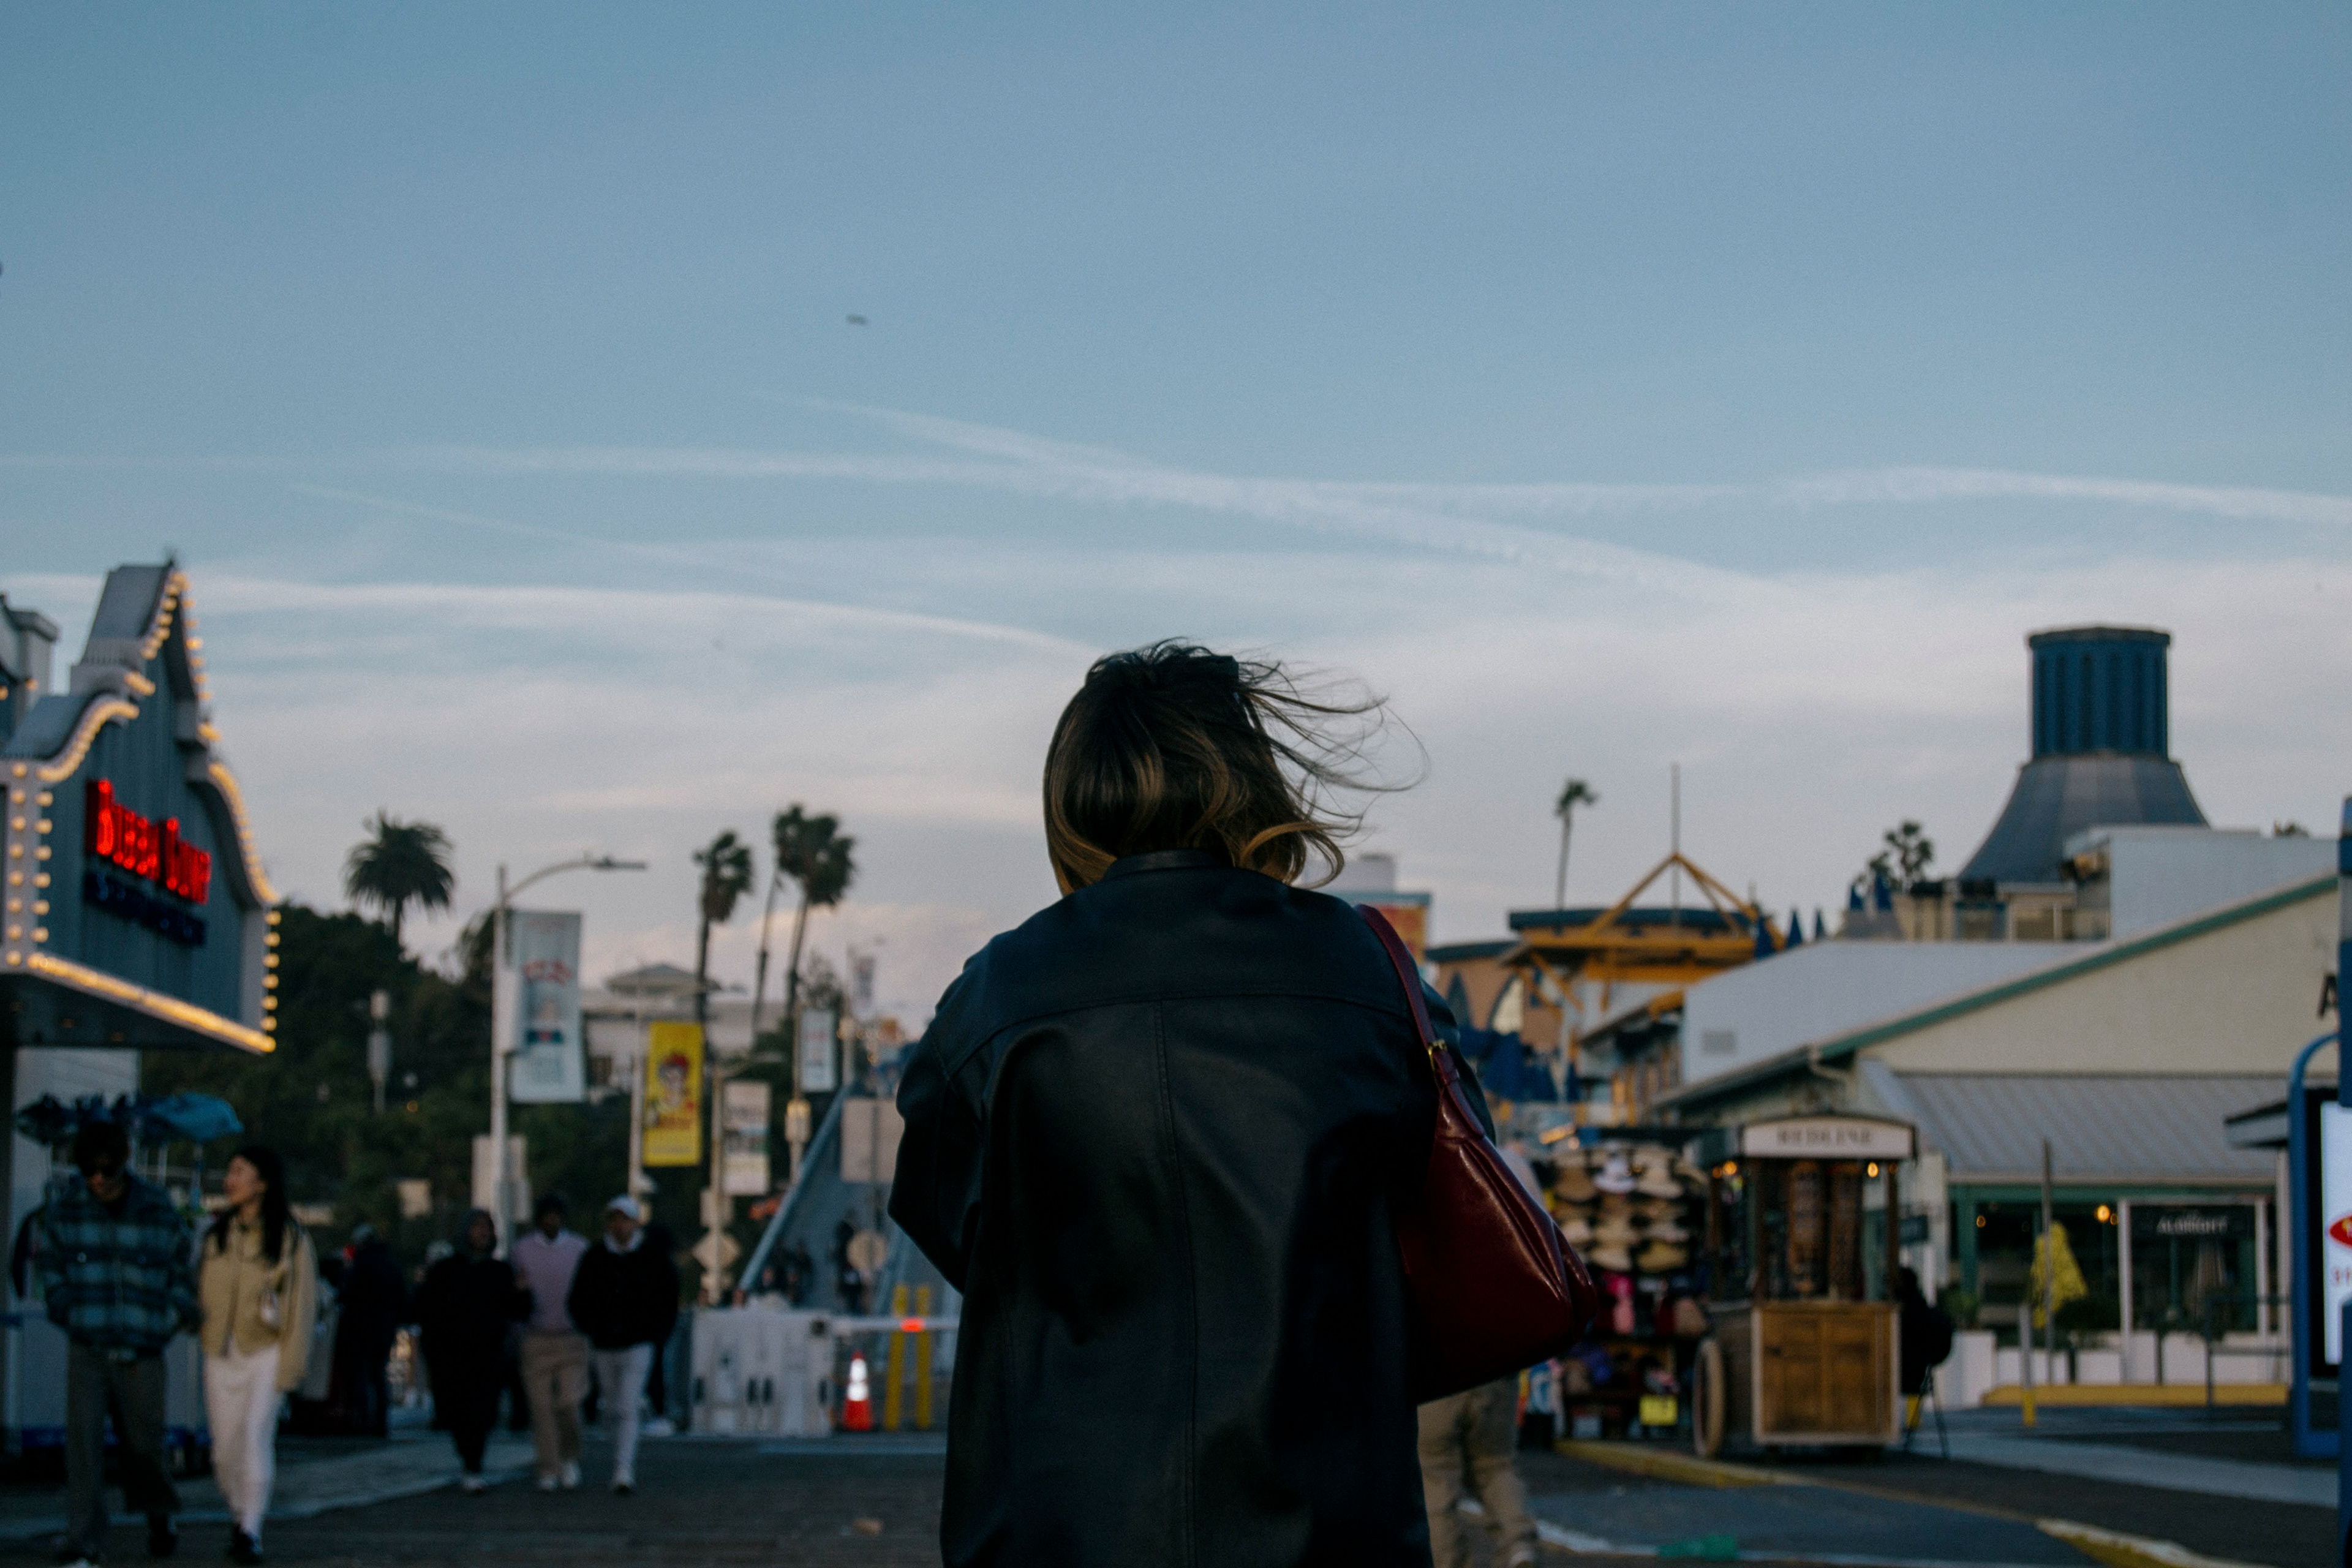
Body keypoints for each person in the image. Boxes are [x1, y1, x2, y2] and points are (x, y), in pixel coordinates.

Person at [891, 641, 1467, 1567]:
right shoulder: (1365, 971)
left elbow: (947, 1215)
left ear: (1073, 796)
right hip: (1327, 1522)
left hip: (1064, 1524)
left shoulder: (999, 994)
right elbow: (1433, 1200)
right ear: (1249, 780)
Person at [40, 1118, 199, 1568]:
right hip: (88, 1342)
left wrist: (167, 1319)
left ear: (122, 1167)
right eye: (91, 1172)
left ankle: (159, 1512)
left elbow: (182, 1267)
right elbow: (49, 1265)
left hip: (143, 1346)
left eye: (107, 1172)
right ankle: (83, 1538)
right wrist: (66, 1309)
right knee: (84, 1443)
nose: (99, 1181)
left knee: (146, 1442)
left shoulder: (155, 1207)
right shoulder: (67, 1210)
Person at [197, 1146, 319, 1566]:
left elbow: (302, 1308)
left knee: (255, 1438)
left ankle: (251, 1527)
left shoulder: (290, 1239)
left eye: (238, 1172)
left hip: (267, 1351)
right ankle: (239, 1512)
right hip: (220, 1350)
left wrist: (292, 1367)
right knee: (224, 1449)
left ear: (262, 1183)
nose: (229, 1181)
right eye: (228, 1172)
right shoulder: (216, 1236)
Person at [565, 1197, 679, 1494]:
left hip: (638, 1342)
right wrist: (591, 1326)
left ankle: (623, 1469)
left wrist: (655, 1330)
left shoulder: (651, 1257)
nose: (620, 1226)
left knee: (628, 1404)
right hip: (604, 1343)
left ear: (635, 1223)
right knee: (612, 1406)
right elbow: (579, 1297)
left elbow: (668, 1297)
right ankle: (619, 1458)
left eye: (625, 1220)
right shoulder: (595, 1257)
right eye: (615, 1220)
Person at [416, 1210, 524, 1492]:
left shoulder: (499, 1271)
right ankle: (469, 1458)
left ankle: (473, 1464)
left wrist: (523, 1294)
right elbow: (429, 1309)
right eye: (476, 1228)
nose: (481, 1234)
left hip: (488, 1353)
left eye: (486, 1228)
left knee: (483, 1411)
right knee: (458, 1410)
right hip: (454, 1353)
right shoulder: (448, 1270)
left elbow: (516, 1309)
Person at [510, 1194, 589, 1490]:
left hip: (570, 1336)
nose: (551, 1221)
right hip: (535, 1337)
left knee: (569, 1403)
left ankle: (570, 1456)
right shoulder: (522, 1251)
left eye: (556, 1215)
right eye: (546, 1216)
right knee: (540, 1408)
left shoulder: (579, 1248)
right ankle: (548, 1466)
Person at [1417, 1380, 1538, 1568]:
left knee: (1435, 1478)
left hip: (1437, 1377)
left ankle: (1449, 1562)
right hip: (1495, 1370)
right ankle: (1518, 1546)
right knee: (1496, 1465)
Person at [332, 1224, 405, 1437]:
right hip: (385, 1328)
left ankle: (363, 1421)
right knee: (380, 1376)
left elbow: (348, 1295)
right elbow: (401, 1299)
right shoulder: (391, 1264)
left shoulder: (360, 1265)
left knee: (361, 1377)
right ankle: (381, 1423)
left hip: (361, 1329)